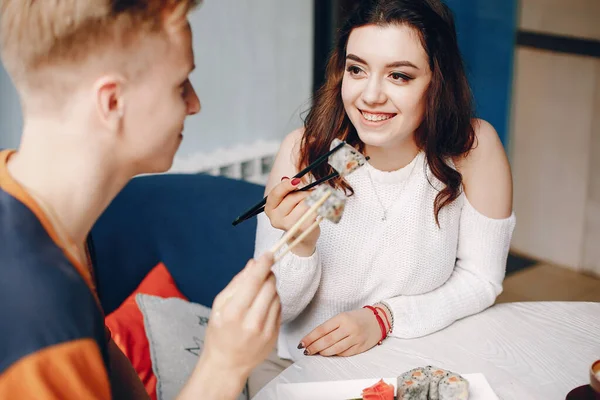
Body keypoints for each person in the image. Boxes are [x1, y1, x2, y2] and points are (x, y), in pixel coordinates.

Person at [0, 1, 279, 399]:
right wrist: (224, 365)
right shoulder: (40, 323)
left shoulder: (46, 219)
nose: (194, 104)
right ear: (112, 102)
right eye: (180, 85)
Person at [250, 0, 515, 395]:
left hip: (412, 361)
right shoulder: (312, 154)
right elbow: (274, 314)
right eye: (357, 69)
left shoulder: (471, 151)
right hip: (299, 367)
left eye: (399, 76)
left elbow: (481, 280)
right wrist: (301, 246)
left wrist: (384, 318)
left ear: (437, 81)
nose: (370, 96)